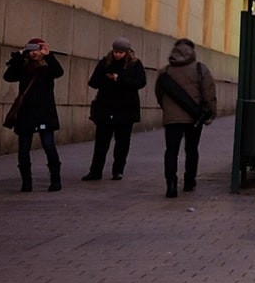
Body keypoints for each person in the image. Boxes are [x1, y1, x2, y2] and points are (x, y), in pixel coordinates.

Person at [155, 37, 216, 198]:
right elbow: (208, 93)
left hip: (172, 118)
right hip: (194, 118)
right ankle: (189, 181)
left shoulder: (166, 71)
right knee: (192, 149)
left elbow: (159, 94)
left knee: (171, 151)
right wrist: (210, 112)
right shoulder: (199, 69)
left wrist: (168, 109)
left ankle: (171, 184)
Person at [3, 38, 65, 192]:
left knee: (49, 145)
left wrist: (49, 55)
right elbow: (8, 76)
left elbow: (59, 72)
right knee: (24, 148)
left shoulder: (47, 67)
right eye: (31, 50)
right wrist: (18, 56)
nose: (35, 53)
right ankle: (26, 182)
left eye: (37, 50)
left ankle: (55, 180)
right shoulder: (23, 66)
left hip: (45, 112)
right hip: (26, 113)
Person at [84, 37, 147, 181]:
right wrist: (107, 78)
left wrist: (121, 79)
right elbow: (93, 82)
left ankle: (118, 170)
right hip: (105, 107)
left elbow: (141, 82)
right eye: (116, 51)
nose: (118, 55)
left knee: (122, 142)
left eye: (121, 52)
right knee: (101, 142)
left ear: (127, 52)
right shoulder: (105, 62)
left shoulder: (135, 64)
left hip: (126, 109)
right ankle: (95, 171)